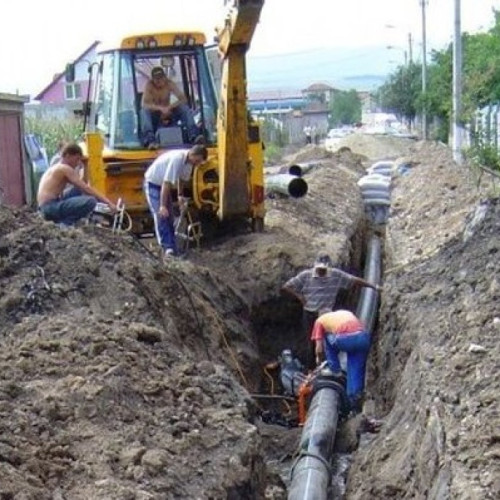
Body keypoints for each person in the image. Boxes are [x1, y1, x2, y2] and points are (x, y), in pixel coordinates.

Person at [281, 251, 381, 368]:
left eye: (324, 269)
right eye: (319, 269)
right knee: (312, 343)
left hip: (326, 316)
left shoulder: (335, 275)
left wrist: (373, 286)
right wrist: (300, 297)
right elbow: (287, 286)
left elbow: (354, 281)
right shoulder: (306, 275)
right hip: (310, 314)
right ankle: (311, 370)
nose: (321, 272)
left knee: (329, 342)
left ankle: (330, 367)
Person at [144, 144, 208, 258]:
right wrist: (162, 206)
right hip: (153, 184)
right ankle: (166, 248)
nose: (197, 164)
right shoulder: (178, 159)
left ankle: (173, 249)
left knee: (170, 217)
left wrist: (180, 196)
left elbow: (182, 179)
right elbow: (166, 183)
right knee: (161, 215)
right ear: (194, 155)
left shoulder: (189, 163)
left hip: (163, 186)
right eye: (197, 161)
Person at [37, 143, 117, 226]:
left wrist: (85, 165)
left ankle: (61, 222)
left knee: (77, 190)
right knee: (90, 201)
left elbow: (82, 185)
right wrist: (108, 203)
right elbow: (86, 188)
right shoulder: (64, 168)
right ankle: (64, 225)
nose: (78, 163)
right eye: (77, 159)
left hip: (47, 207)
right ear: (68, 155)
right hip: (49, 208)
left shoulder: (57, 167)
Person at [311, 309, 370, 414]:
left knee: (325, 336)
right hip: (363, 339)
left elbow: (319, 348)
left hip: (347, 340)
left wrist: (319, 360)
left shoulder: (320, 321)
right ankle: (354, 404)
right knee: (355, 370)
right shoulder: (344, 313)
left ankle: (335, 369)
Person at [141, 66, 199, 148]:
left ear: (164, 77)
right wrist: (160, 109)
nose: (158, 81)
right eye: (156, 79)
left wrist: (169, 107)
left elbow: (183, 99)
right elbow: (144, 104)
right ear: (152, 79)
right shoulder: (149, 86)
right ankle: (150, 140)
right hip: (155, 115)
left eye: (160, 78)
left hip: (169, 112)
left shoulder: (169, 84)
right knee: (144, 111)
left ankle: (194, 135)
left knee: (184, 108)